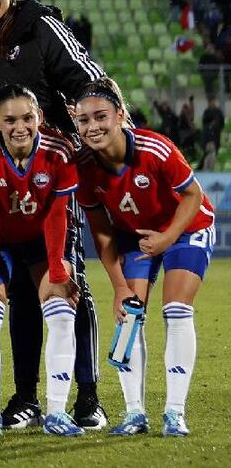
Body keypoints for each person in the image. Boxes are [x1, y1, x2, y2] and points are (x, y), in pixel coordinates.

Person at [0, 0, 106, 429]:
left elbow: (89, 79)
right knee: (21, 292)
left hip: (49, 171)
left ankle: (88, 397)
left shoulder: (41, 27)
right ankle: (25, 397)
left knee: (67, 282)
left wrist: (94, 133)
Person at [73, 78, 214, 437]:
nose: (92, 127)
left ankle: (175, 412)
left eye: (101, 116)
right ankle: (134, 413)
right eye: (83, 120)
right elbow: (102, 232)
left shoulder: (155, 149)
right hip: (134, 237)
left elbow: (194, 195)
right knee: (129, 317)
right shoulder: (83, 166)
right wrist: (119, 287)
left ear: (120, 115)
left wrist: (167, 238)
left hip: (186, 227)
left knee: (176, 309)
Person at [0, 84, 86, 438]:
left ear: (40, 117)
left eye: (27, 118)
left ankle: (57, 412)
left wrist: (58, 269)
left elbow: (57, 215)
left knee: (61, 310)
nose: (20, 127)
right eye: (10, 120)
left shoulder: (59, 150)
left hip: (42, 242)